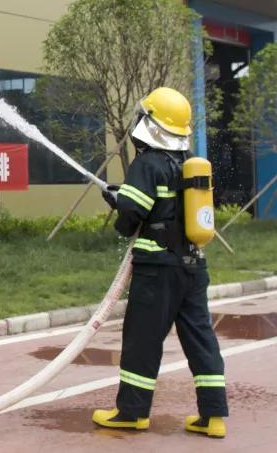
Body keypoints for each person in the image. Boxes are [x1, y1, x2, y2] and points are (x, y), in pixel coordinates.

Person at [93, 87, 228, 438]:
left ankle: (132, 412)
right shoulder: (190, 163)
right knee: (201, 338)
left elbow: (132, 213)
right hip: (194, 266)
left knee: (142, 339)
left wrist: (118, 204)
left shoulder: (148, 163)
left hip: (157, 270)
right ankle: (213, 416)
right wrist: (123, 196)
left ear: (151, 123)